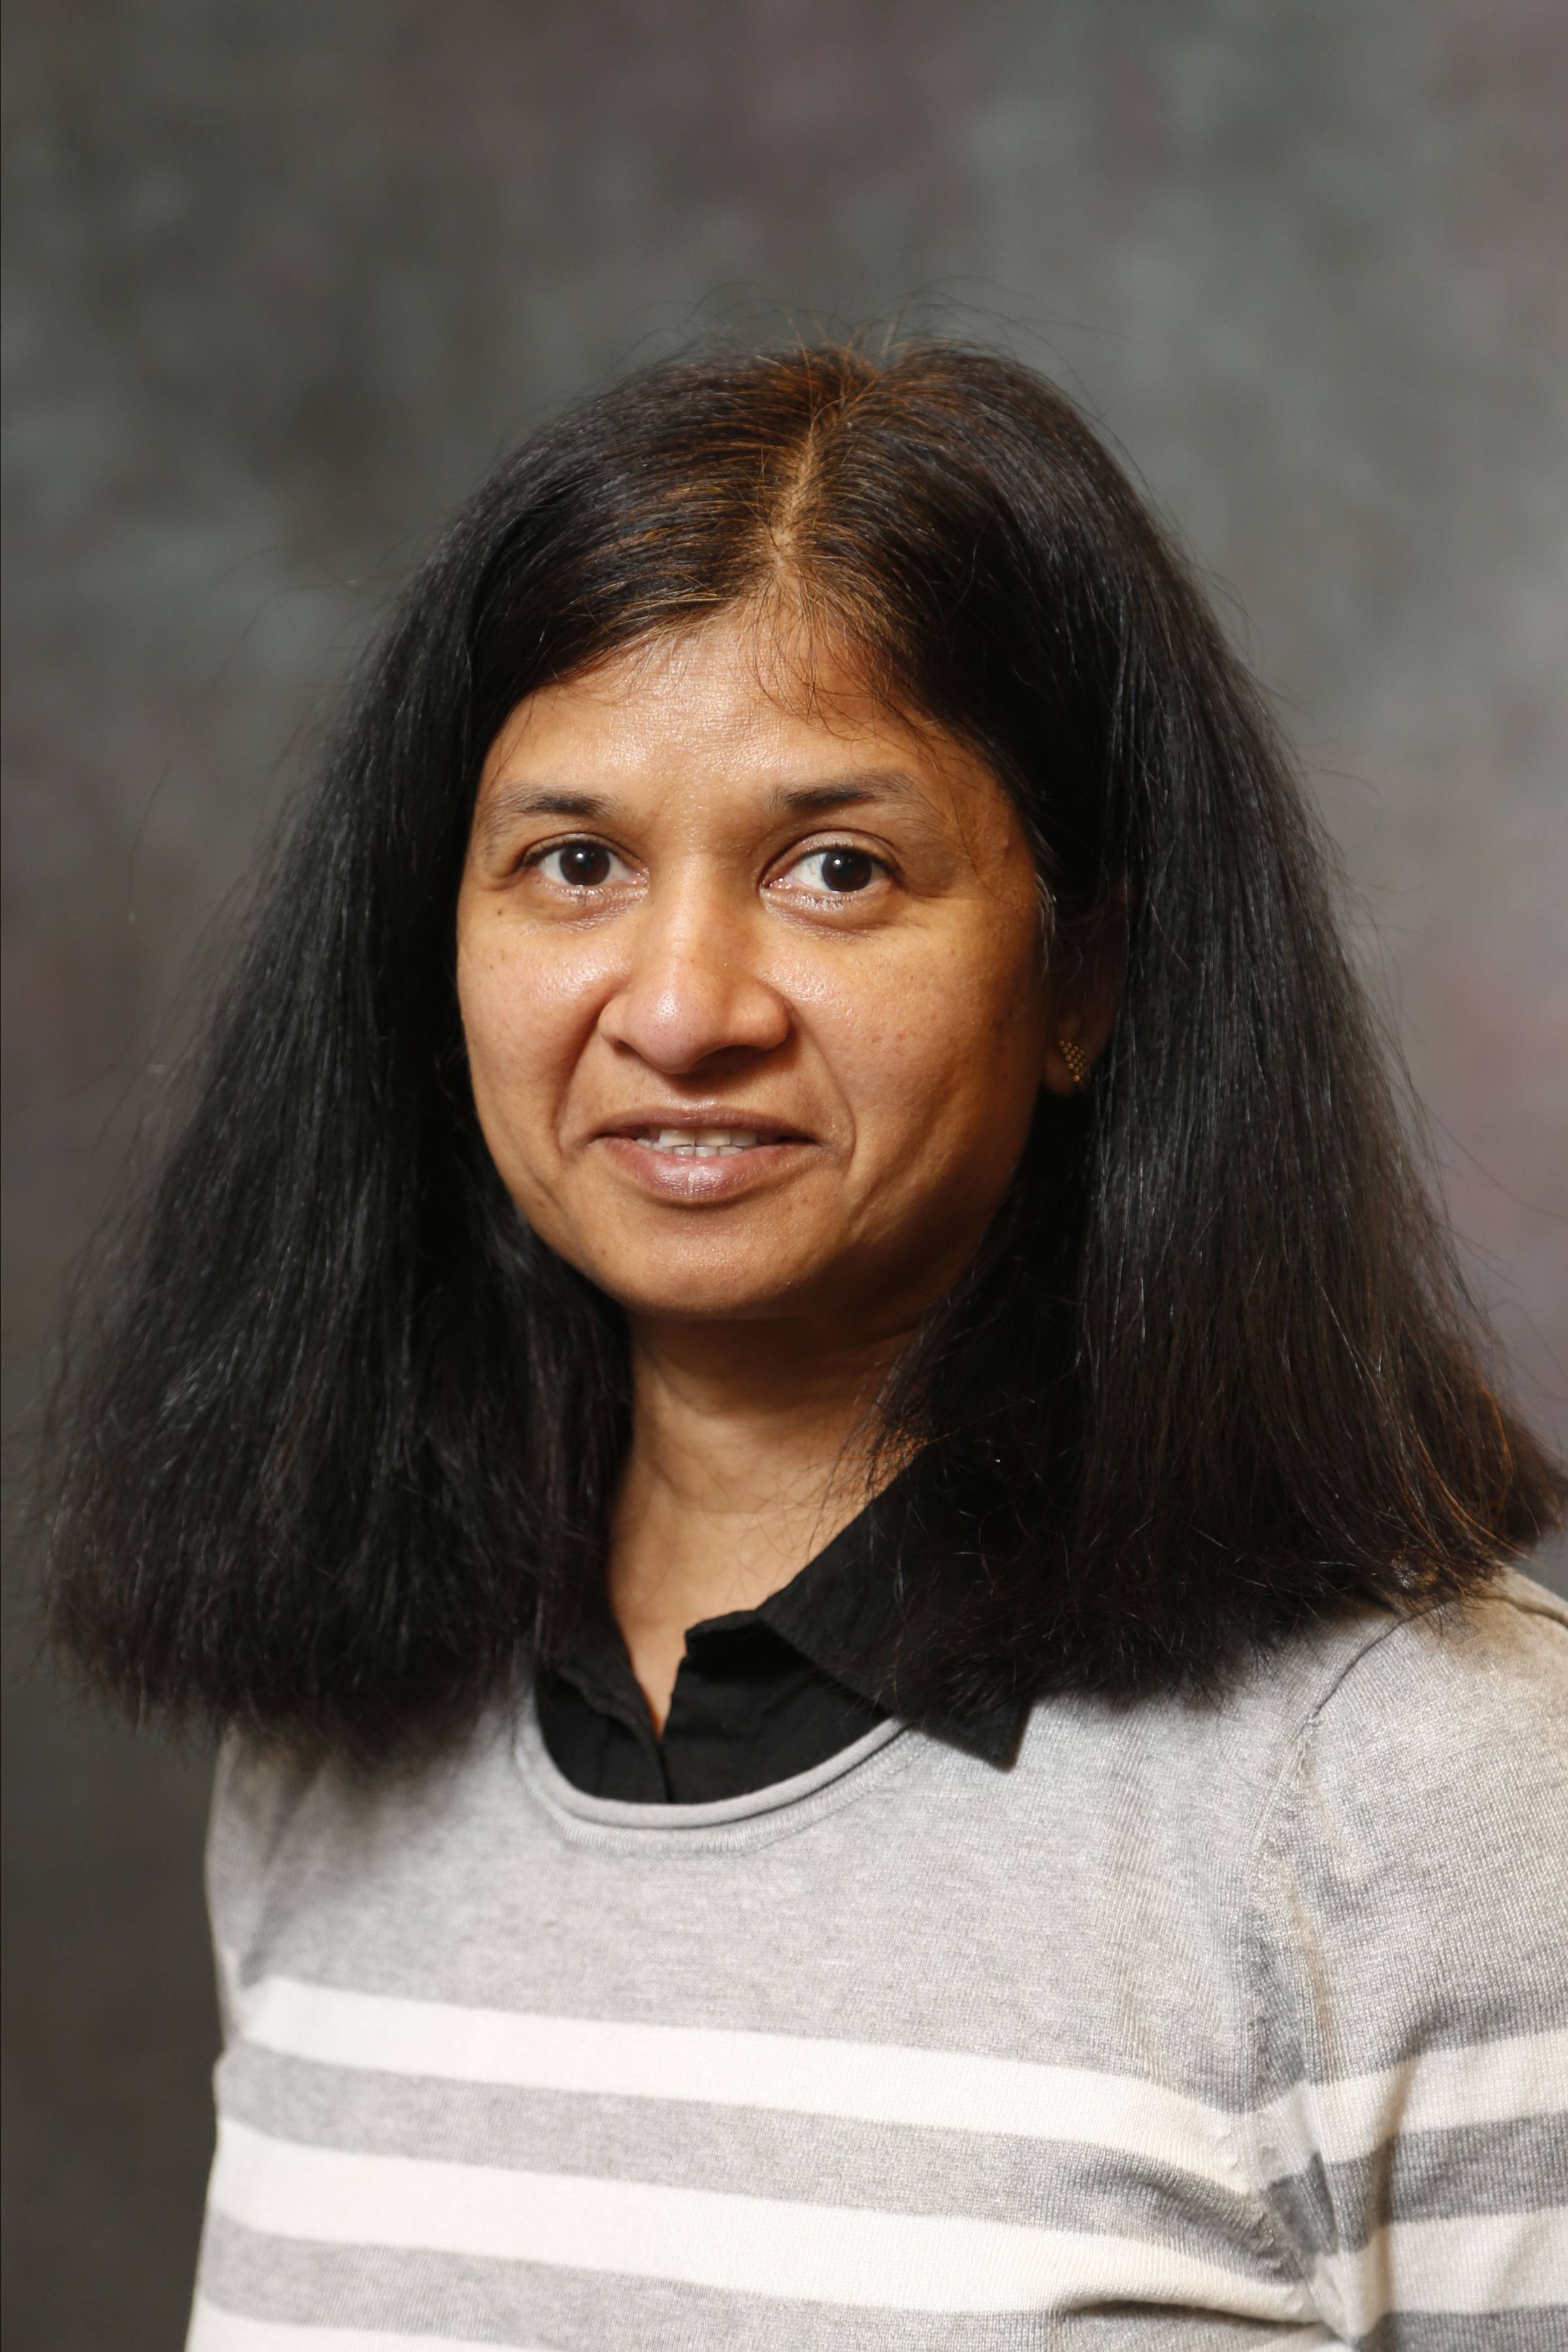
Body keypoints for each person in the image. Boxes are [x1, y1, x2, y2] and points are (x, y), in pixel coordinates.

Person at [42, 344, 1567, 2347]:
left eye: (836, 868)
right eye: (573, 862)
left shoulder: (1431, 1798)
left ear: (1083, 977)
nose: (681, 1008)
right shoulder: (331, 1743)